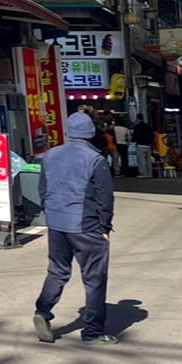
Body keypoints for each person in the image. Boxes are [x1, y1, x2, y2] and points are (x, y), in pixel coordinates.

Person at [32, 111, 117, 346]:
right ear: (91, 132)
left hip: (57, 224)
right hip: (86, 225)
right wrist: (105, 227)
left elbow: (43, 189)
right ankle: (92, 331)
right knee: (94, 278)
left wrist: (51, 213)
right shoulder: (95, 159)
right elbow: (105, 198)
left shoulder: (51, 154)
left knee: (57, 270)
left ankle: (43, 312)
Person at [132, 114, 155, 179]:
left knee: (141, 160)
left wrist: (133, 140)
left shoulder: (137, 126)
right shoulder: (148, 126)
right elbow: (152, 136)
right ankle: (149, 174)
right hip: (148, 145)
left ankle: (143, 174)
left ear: (137, 118)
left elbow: (135, 136)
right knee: (148, 160)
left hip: (140, 145)